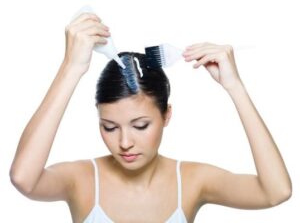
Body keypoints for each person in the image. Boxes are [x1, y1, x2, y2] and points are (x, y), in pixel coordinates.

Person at [10, 12, 292, 223]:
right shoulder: (82, 179)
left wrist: (235, 87)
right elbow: (24, 178)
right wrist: (71, 68)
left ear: (166, 115)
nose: (124, 142)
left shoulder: (192, 180)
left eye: (140, 125)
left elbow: (276, 191)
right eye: (109, 127)